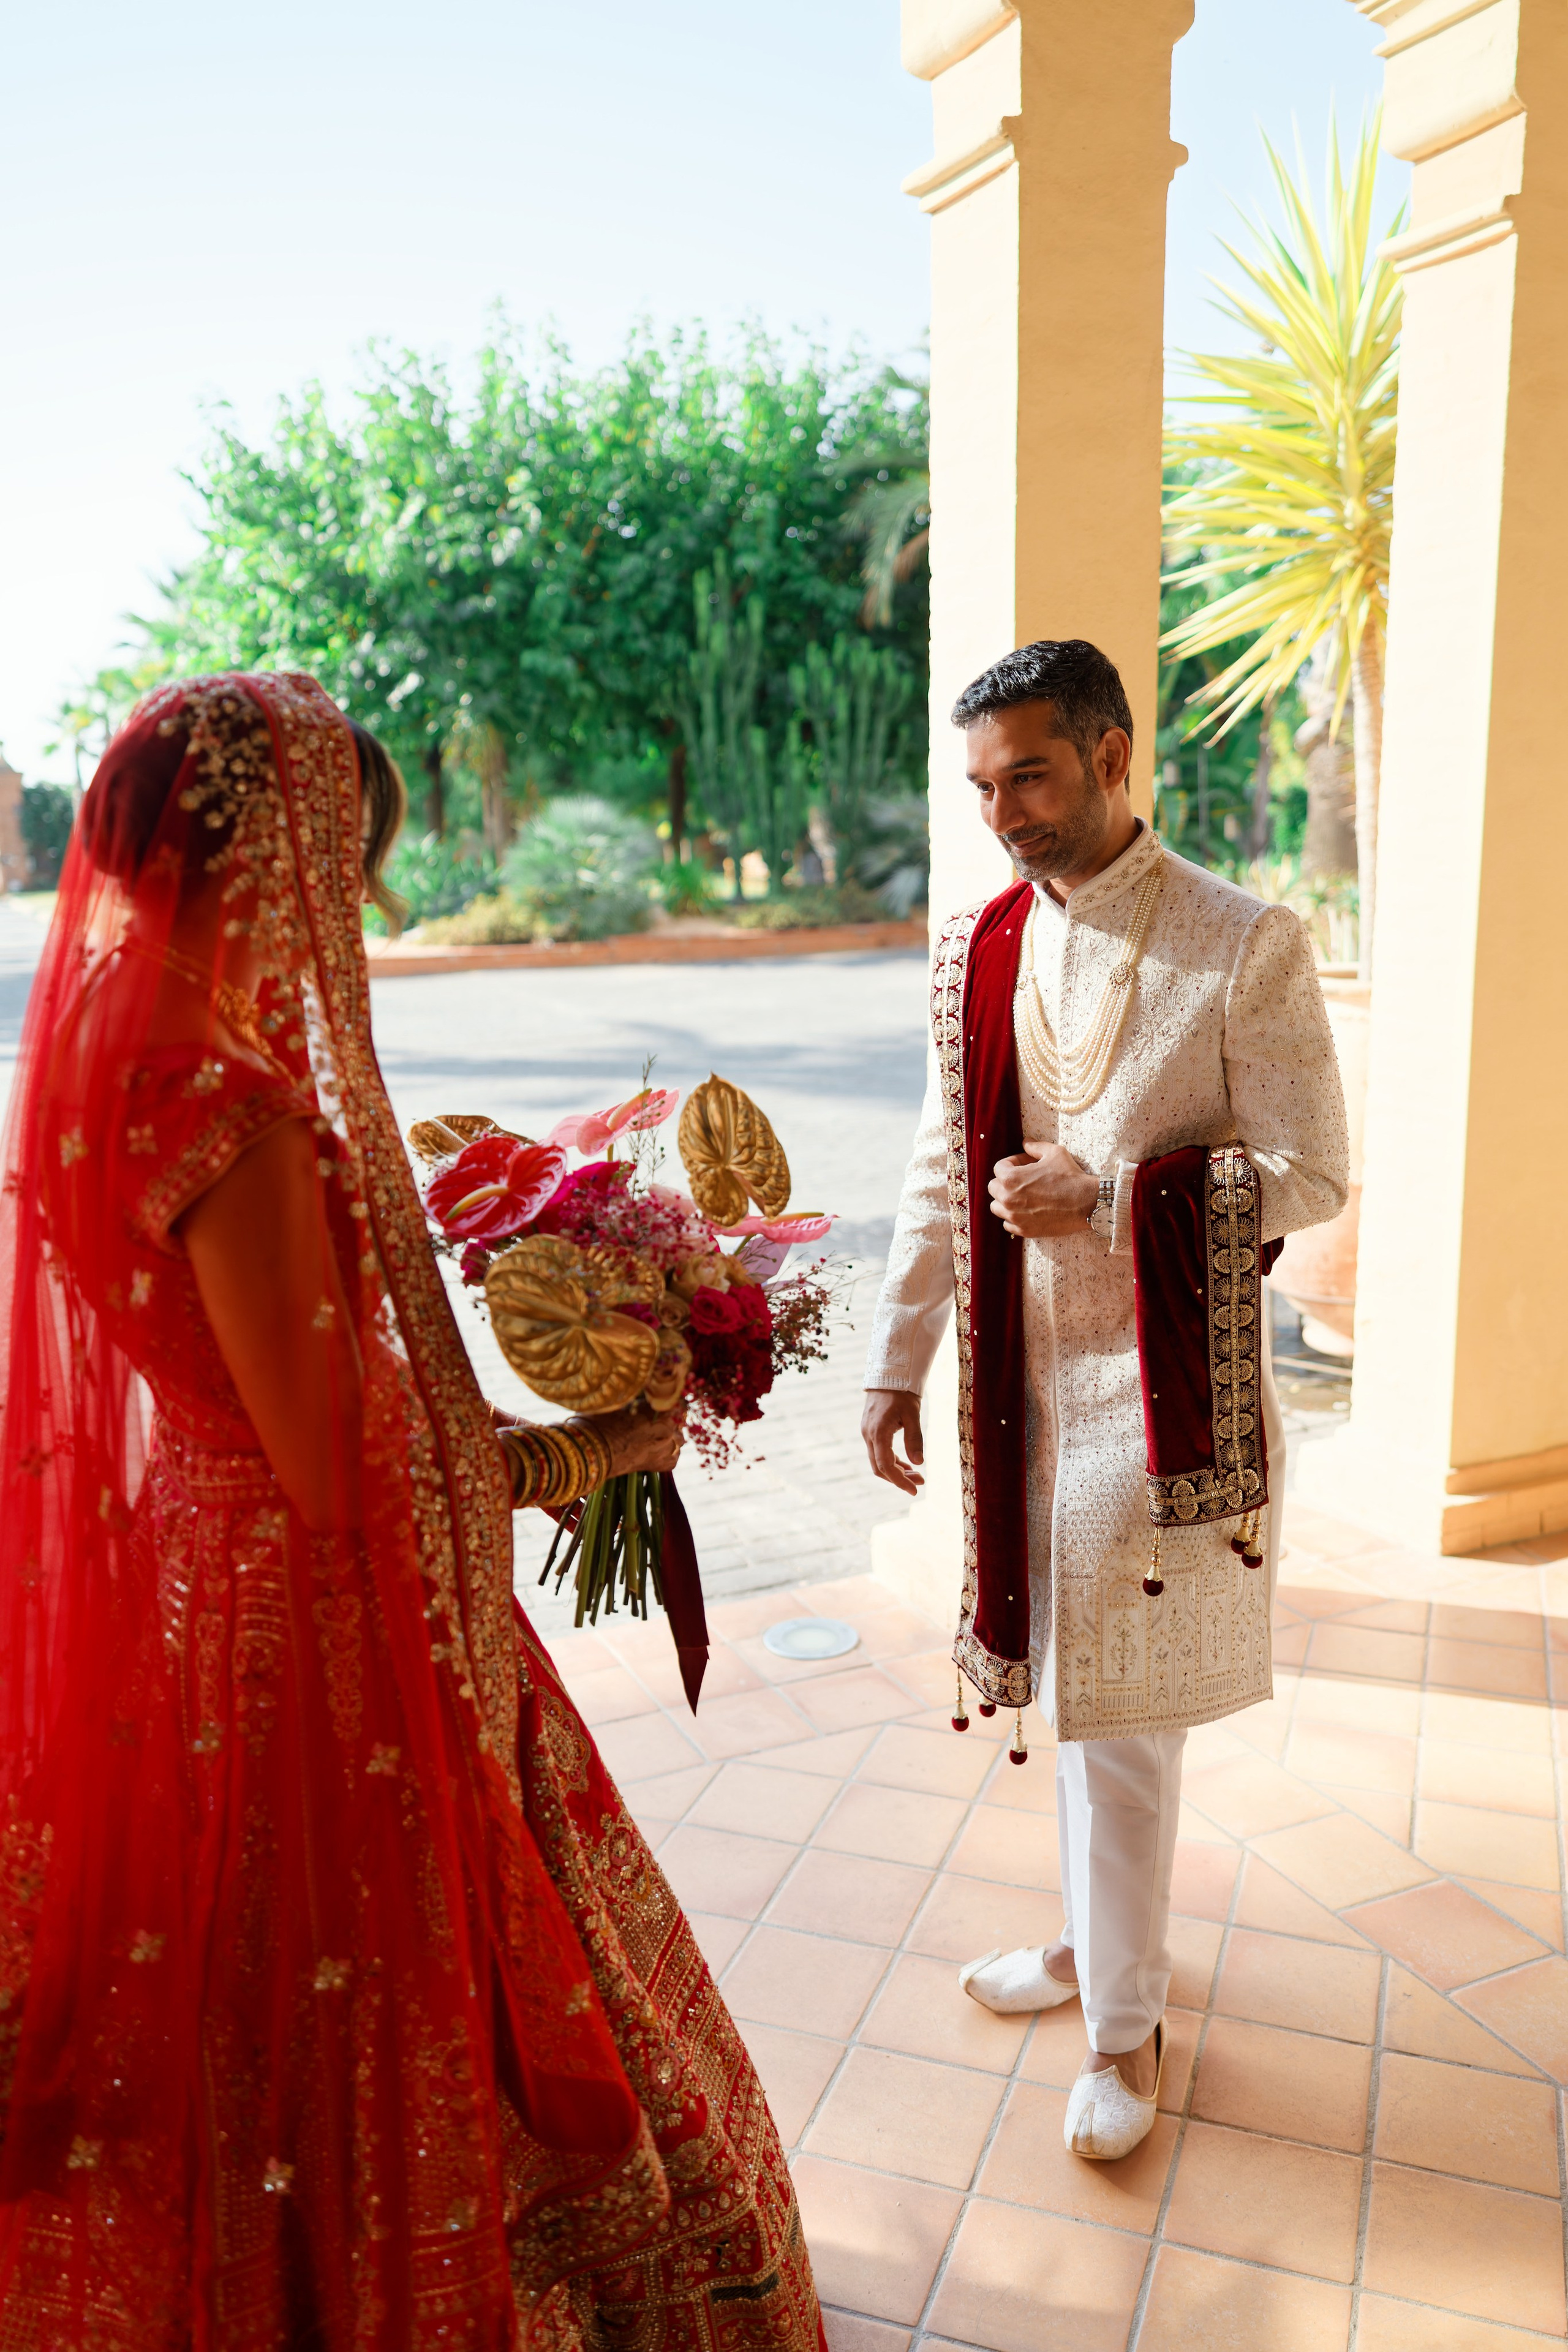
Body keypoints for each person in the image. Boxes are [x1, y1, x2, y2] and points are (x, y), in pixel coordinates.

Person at [0, 673, 825, 2346]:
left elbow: (246, 1401)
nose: (356, 911)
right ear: (269, 855)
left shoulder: (102, 1061)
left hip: (196, 1577)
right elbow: (332, 1467)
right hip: (317, 1622)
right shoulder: (234, 1108)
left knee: (235, 1993)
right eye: (345, 865)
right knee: (377, 1996)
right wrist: (578, 1458)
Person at [862, 640, 1347, 2160]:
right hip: (1020, 1390)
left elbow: (1317, 1174)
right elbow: (944, 1163)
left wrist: (1118, 1189)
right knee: (1071, 1702)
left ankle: (1121, 2041)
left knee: (1124, 1720)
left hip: (1159, 1392)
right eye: (982, 785)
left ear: (1112, 754)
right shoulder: (981, 944)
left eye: (1031, 775)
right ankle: (1091, 1947)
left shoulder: (1238, 939)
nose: (1003, 811)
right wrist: (896, 1356)